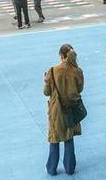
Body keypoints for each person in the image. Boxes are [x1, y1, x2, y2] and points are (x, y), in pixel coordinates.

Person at [44, 44, 84, 176]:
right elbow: (80, 89)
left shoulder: (53, 70)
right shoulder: (78, 71)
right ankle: (70, 167)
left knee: (54, 137)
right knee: (69, 136)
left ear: (61, 55)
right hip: (72, 107)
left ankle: (52, 168)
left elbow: (46, 92)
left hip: (57, 108)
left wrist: (46, 80)